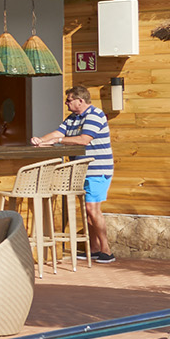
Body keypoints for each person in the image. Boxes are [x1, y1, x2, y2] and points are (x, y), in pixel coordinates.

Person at [43, 84, 116, 263]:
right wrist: (41, 140)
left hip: (97, 169)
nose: (66, 104)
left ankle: (107, 250)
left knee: (93, 209)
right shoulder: (73, 117)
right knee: (87, 209)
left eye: (69, 100)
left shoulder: (95, 115)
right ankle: (94, 249)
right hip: (81, 171)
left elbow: (84, 140)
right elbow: (59, 132)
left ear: (80, 101)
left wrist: (58, 141)